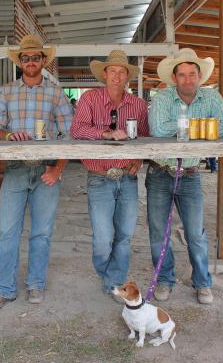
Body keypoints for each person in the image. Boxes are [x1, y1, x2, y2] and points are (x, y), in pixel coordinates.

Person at [0, 34, 73, 309]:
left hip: (47, 167)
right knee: (7, 232)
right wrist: (7, 135)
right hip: (15, 168)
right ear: (20, 62)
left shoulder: (55, 92)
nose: (31, 61)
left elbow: (69, 134)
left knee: (42, 233)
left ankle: (35, 283)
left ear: (43, 61)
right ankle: (5, 287)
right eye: (26, 58)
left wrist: (58, 168)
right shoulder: (5, 91)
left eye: (36, 57)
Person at [146, 48, 223, 304]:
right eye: (181, 75)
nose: (187, 79)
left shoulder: (211, 96)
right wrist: (200, 125)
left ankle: (203, 282)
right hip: (160, 171)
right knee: (158, 232)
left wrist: (184, 127)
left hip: (191, 173)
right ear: (174, 78)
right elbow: (157, 129)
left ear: (199, 76)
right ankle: (164, 279)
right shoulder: (163, 97)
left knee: (196, 234)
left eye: (192, 74)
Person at [70, 50, 149, 302]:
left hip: (127, 176)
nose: (117, 75)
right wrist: (105, 133)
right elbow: (77, 129)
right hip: (99, 175)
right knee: (103, 239)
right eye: (112, 70)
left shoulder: (138, 104)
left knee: (124, 235)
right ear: (104, 74)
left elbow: (145, 138)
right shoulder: (90, 99)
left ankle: (115, 281)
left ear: (127, 76)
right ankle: (107, 275)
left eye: (122, 71)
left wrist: (139, 158)